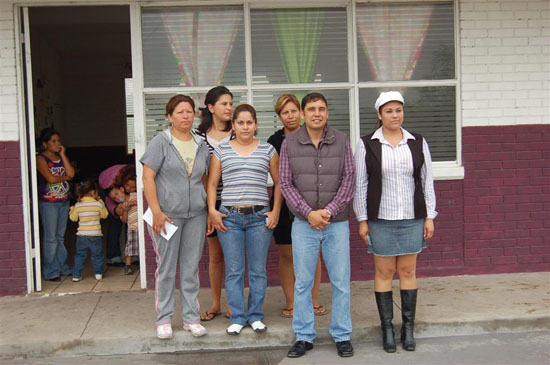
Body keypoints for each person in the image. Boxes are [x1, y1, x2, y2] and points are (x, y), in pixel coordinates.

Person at [353, 91, 436, 352]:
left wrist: (429, 216)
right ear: (379, 115)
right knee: (384, 273)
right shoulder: (367, 144)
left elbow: (426, 181)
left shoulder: (417, 142)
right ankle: (387, 329)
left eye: (398, 110)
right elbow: (360, 185)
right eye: (389, 111)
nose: (395, 115)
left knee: (409, 272)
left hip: (412, 217)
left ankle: (407, 329)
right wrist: (362, 219)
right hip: (381, 219)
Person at [279, 93, 355, 358]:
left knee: (341, 281)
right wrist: (308, 213)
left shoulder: (342, 140)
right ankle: (303, 335)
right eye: (311, 109)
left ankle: (342, 334)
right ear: (302, 113)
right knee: (303, 282)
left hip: (337, 223)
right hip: (303, 224)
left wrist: (329, 211)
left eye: (322, 108)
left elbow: (349, 180)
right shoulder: (289, 142)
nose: (317, 113)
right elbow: (285, 183)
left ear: (327, 112)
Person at [207, 104, 282, 335]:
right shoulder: (221, 150)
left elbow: (279, 183)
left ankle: (256, 315)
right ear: (233, 125)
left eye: (249, 122)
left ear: (256, 124)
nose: (245, 127)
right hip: (230, 218)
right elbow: (211, 183)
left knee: (258, 270)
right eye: (240, 122)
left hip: (259, 219)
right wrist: (212, 210)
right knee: (234, 270)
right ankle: (238, 317)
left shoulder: (268, 150)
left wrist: (275, 210)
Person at [141, 94, 211, 339]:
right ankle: (164, 319)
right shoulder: (161, 141)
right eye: (180, 112)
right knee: (167, 268)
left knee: (191, 268)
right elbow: (147, 177)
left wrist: (207, 206)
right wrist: (157, 211)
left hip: (196, 215)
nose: (185, 116)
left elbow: (204, 178)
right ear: (169, 116)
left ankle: (192, 318)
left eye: (189, 112)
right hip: (167, 216)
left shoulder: (200, 143)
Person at [267, 94, 327, 318]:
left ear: (301, 113)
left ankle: (312, 300)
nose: (290, 116)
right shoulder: (274, 142)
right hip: (283, 204)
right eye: (285, 112)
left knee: (313, 254)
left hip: (312, 203)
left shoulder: (313, 135)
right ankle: (292, 302)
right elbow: (277, 179)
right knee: (287, 254)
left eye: (293, 111)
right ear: (279, 116)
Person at [193, 86, 234, 321]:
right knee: (216, 255)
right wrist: (210, 209)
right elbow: (199, 174)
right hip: (208, 203)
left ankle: (233, 303)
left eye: (231, 103)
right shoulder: (198, 138)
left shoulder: (238, 133)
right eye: (224, 104)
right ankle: (216, 303)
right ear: (211, 108)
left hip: (235, 200)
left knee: (234, 255)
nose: (229, 108)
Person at [36, 127, 75, 282]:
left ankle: (62, 267)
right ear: (45, 144)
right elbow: (50, 179)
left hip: (63, 201)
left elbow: (71, 174)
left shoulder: (60, 157)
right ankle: (50, 270)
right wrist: (65, 177)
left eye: (58, 140)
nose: (57, 144)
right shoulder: (41, 159)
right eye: (53, 141)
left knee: (60, 237)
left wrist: (63, 155)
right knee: (50, 238)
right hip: (48, 203)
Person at [69, 179, 108, 282]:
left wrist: (72, 210)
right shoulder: (98, 204)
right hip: (95, 235)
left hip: (81, 235)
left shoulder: (78, 205)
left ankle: (76, 275)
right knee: (97, 255)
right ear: (93, 192)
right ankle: (98, 273)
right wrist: (101, 202)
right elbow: (105, 215)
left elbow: (73, 218)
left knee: (80, 255)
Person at [98, 164, 137, 267]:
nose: (129, 189)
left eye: (133, 187)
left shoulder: (137, 178)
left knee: (131, 222)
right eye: (127, 185)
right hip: (106, 184)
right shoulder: (111, 186)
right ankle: (113, 257)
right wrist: (117, 210)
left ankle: (133, 255)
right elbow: (111, 204)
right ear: (122, 185)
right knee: (115, 223)